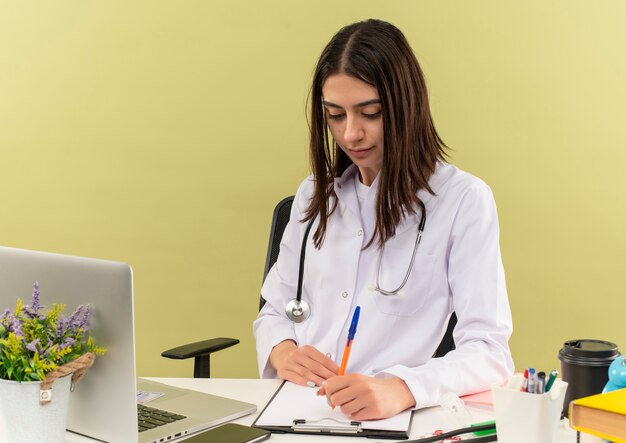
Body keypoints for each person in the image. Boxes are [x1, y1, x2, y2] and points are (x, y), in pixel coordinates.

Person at [253, 18, 514, 421]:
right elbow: (274, 309)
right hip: (296, 409)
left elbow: (490, 352)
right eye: (335, 116)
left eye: (369, 113)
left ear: (406, 105)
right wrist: (282, 350)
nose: (351, 134)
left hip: (391, 420)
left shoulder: (463, 201)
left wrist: (403, 389)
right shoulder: (314, 195)